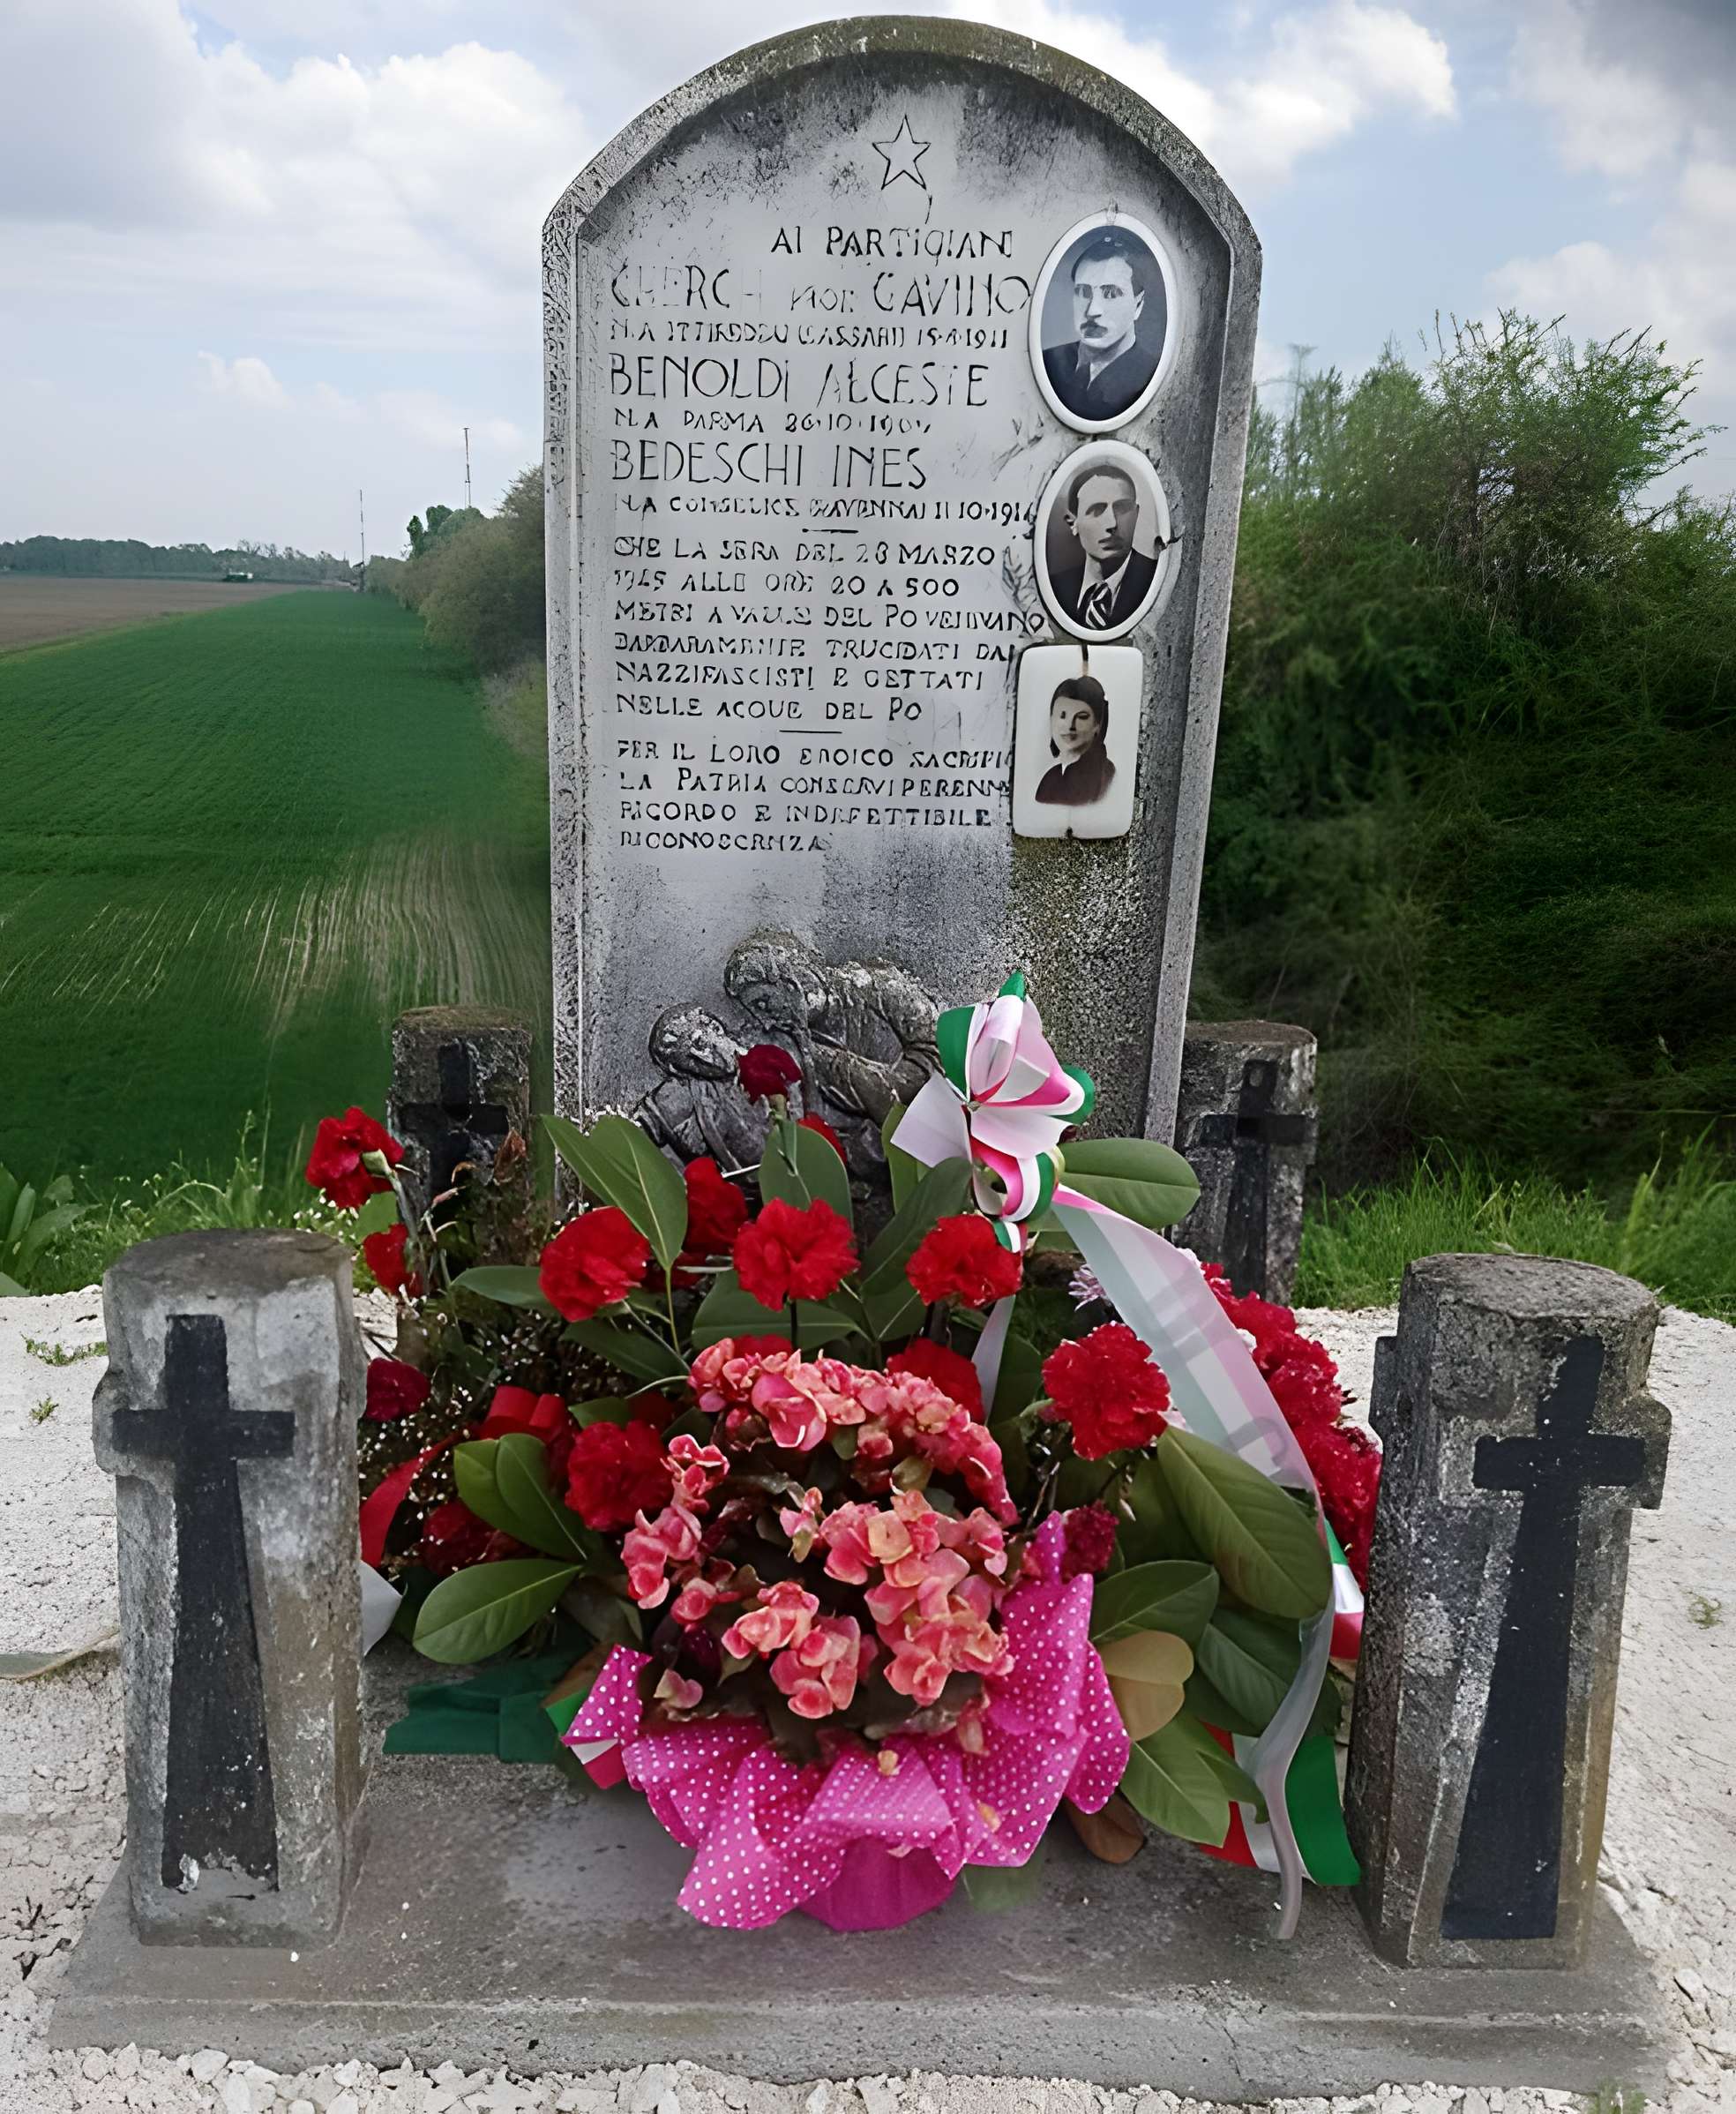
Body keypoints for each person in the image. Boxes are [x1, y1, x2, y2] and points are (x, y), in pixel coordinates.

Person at [1041, 229, 1161, 423]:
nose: (1092, 311)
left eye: (1111, 294)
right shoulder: (1047, 362)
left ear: (1138, 305)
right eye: (1083, 292)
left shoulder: (1151, 378)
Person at [1047, 461, 1158, 632]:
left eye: (1122, 508)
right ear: (1073, 524)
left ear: (1136, 515)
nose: (1112, 524)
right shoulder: (1055, 587)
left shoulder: (1153, 579)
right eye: (1097, 510)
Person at [1035, 676, 1116, 806]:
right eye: (1062, 716)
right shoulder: (1051, 778)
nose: (1070, 726)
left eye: (1081, 717)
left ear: (1097, 725)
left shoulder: (1106, 776)